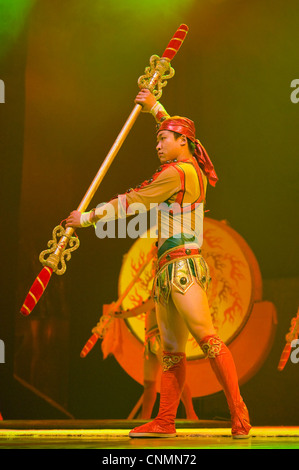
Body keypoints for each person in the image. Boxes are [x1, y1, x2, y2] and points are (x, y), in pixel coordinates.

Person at [66, 89, 251, 439]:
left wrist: (86, 218)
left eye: (164, 138)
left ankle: (238, 413)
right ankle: (166, 420)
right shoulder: (184, 167)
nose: (158, 144)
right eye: (158, 138)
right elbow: (174, 137)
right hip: (167, 269)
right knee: (171, 352)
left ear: (183, 141)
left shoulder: (178, 172)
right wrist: (155, 108)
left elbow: (133, 202)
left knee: (207, 338)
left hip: (183, 268)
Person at [107, 294, 199, 421]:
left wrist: (121, 314)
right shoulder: (156, 292)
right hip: (150, 339)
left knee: (174, 376)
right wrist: (119, 314)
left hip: (161, 338)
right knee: (148, 383)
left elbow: (142, 308)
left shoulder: (164, 291)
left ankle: (191, 414)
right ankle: (145, 418)